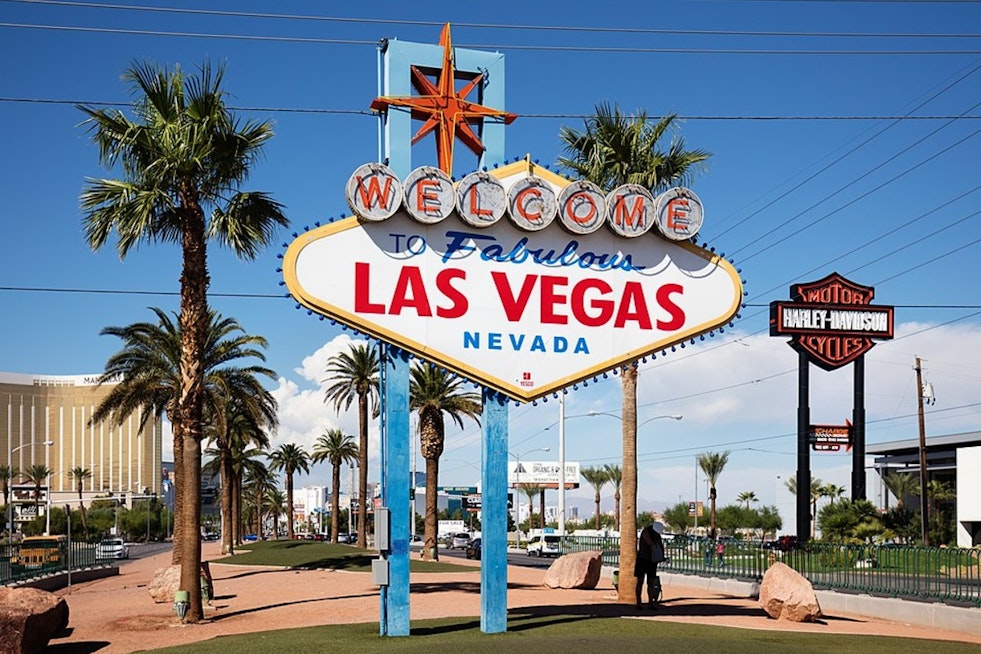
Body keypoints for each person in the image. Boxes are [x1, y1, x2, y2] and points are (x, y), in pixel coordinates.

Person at [635, 522, 666, 609]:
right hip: (643, 559)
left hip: (652, 561)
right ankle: (638, 603)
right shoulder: (646, 532)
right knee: (640, 581)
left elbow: (659, 546)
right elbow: (651, 543)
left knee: (651, 582)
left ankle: (651, 603)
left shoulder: (657, 535)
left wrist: (661, 556)